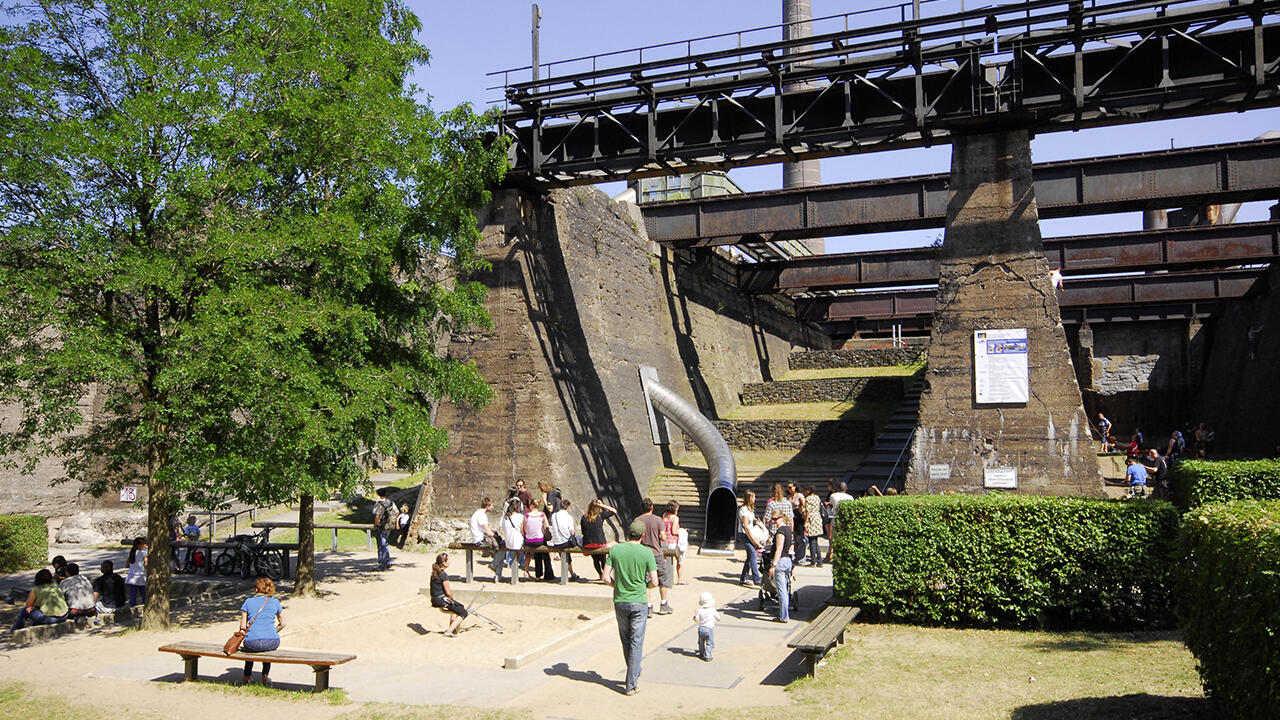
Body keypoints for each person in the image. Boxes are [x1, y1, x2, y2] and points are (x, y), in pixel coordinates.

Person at [603, 520, 658, 696]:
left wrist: (617, 585)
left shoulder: (616, 550)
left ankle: (633, 671)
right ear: (643, 535)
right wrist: (644, 587)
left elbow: (605, 577)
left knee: (626, 640)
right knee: (636, 642)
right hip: (639, 601)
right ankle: (631, 683)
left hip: (620, 600)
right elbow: (655, 582)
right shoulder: (647, 553)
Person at [238, 577, 286, 686]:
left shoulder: (248, 602)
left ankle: (246, 676)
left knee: (250, 648)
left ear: (256, 589)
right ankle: (265, 676)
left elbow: (243, 626)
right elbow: (283, 623)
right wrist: (273, 631)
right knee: (266, 649)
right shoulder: (275, 602)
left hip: (252, 642)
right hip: (271, 640)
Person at [636, 497, 671, 615]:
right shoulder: (658, 520)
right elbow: (663, 537)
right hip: (657, 552)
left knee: (645, 580)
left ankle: (648, 606)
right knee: (662, 579)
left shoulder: (637, 520)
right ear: (652, 507)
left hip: (643, 553)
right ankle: (664, 604)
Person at [767, 509, 796, 623]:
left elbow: (779, 550)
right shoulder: (788, 529)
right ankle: (784, 614)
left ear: (781, 518)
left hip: (781, 561)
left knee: (781, 591)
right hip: (788, 560)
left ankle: (783, 616)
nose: (774, 521)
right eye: (772, 519)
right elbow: (790, 547)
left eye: (775, 519)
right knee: (784, 588)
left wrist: (773, 565)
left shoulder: (780, 531)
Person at [429, 553, 468, 637]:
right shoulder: (443, 575)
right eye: (449, 560)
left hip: (435, 599)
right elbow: (448, 592)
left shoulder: (434, 573)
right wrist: (451, 598)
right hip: (440, 600)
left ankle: (453, 628)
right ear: (444, 563)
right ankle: (449, 631)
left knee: (458, 607)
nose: (450, 562)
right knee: (463, 612)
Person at [580, 498, 618, 580]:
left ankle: (600, 574)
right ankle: (605, 575)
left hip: (588, 543)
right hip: (600, 543)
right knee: (603, 559)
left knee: (595, 559)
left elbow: (583, 532)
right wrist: (602, 505)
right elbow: (614, 511)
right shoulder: (600, 516)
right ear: (598, 508)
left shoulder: (583, 517)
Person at [548, 498, 581, 582]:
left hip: (556, 542)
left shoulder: (553, 516)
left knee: (565, 556)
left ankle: (572, 573)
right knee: (578, 540)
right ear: (568, 507)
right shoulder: (569, 517)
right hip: (565, 542)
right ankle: (571, 574)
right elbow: (572, 532)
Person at [523, 497, 554, 582]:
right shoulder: (542, 515)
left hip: (529, 541)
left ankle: (538, 575)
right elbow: (547, 526)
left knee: (538, 554)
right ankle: (548, 574)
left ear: (531, 505)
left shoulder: (527, 515)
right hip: (539, 540)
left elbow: (524, 529)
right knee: (544, 551)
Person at [824, 481, 855, 564]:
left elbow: (831, 505)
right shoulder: (850, 497)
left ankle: (833, 555)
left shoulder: (833, 496)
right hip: (846, 520)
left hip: (835, 519)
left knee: (834, 538)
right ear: (846, 489)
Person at [738, 490, 763, 587]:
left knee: (750, 557)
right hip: (745, 535)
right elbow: (745, 525)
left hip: (750, 533)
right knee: (753, 555)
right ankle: (756, 579)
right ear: (749, 498)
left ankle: (743, 578)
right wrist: (755, 542)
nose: (755, 499)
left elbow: (751, 520)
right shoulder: (744, 510)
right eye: (753, 497)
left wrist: (757, 521)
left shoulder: (750, 509)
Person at [496, 500, 525, 583]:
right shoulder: (520, 517)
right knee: (519, 551)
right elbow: (523, 531)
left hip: (508, 542)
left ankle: (495, 566)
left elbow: (503, 530)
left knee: (503, 549)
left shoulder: (505, 517)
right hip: (517, 542)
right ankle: (516, 576)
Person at [661, 500, 687, 585]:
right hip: (672, 543)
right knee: (680, 559)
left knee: (663, 560)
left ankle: (663, 577)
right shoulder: (675, 518)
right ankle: (680, 579)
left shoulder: (664, 515)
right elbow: (674, 531)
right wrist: (682, 531)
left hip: (663, 542)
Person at [372, 487, 397, 570]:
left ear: (379, 495)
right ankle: (387, 561)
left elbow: (377, 515)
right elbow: (397, 512)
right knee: (384, 543)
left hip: (382, 525)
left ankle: (383, 562)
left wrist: (375, 524)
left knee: (382, 544)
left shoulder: (379, 504)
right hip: (389, 525)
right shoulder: (391, 503)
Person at [692, 591, 722, 662]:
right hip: (709, 629)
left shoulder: (700, 611)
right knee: (709, 643)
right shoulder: (712, 610)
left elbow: (696, 620)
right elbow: (718, 618)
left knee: (701, 642)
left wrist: (694, 617)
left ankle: (701, 653)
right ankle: (708, 655)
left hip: (701, 628)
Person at [801, 487, 824, 567]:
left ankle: (813, 561)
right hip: (817, 518)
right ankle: (819, 560)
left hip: (811, 519)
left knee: (811, 541)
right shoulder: (817, 497)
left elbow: (808, 511)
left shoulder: (808, 499)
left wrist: (805, 522)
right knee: (815, 540)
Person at [786, 482, 806, 565]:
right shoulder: (788, 497)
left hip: (799, 518)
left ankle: (801, 557)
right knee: (793, 537)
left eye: (790, 487)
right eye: (788, 487)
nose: (789, 489)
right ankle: (794, 555)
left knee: (800, 538)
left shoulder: (799, 495)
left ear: (795, 487)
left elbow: (804, 506)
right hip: (791, 518)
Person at [125, 537, 147, 607]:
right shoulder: (143, 553)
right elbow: (146, 563)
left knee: (133, 593)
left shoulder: (132, 552)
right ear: (139, 545)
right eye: (143, 544)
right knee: (143, 592)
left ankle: (132, 604)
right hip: (140, 575)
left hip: (131, 575)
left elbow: (127, 564)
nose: (145, 545)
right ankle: (145, 602)